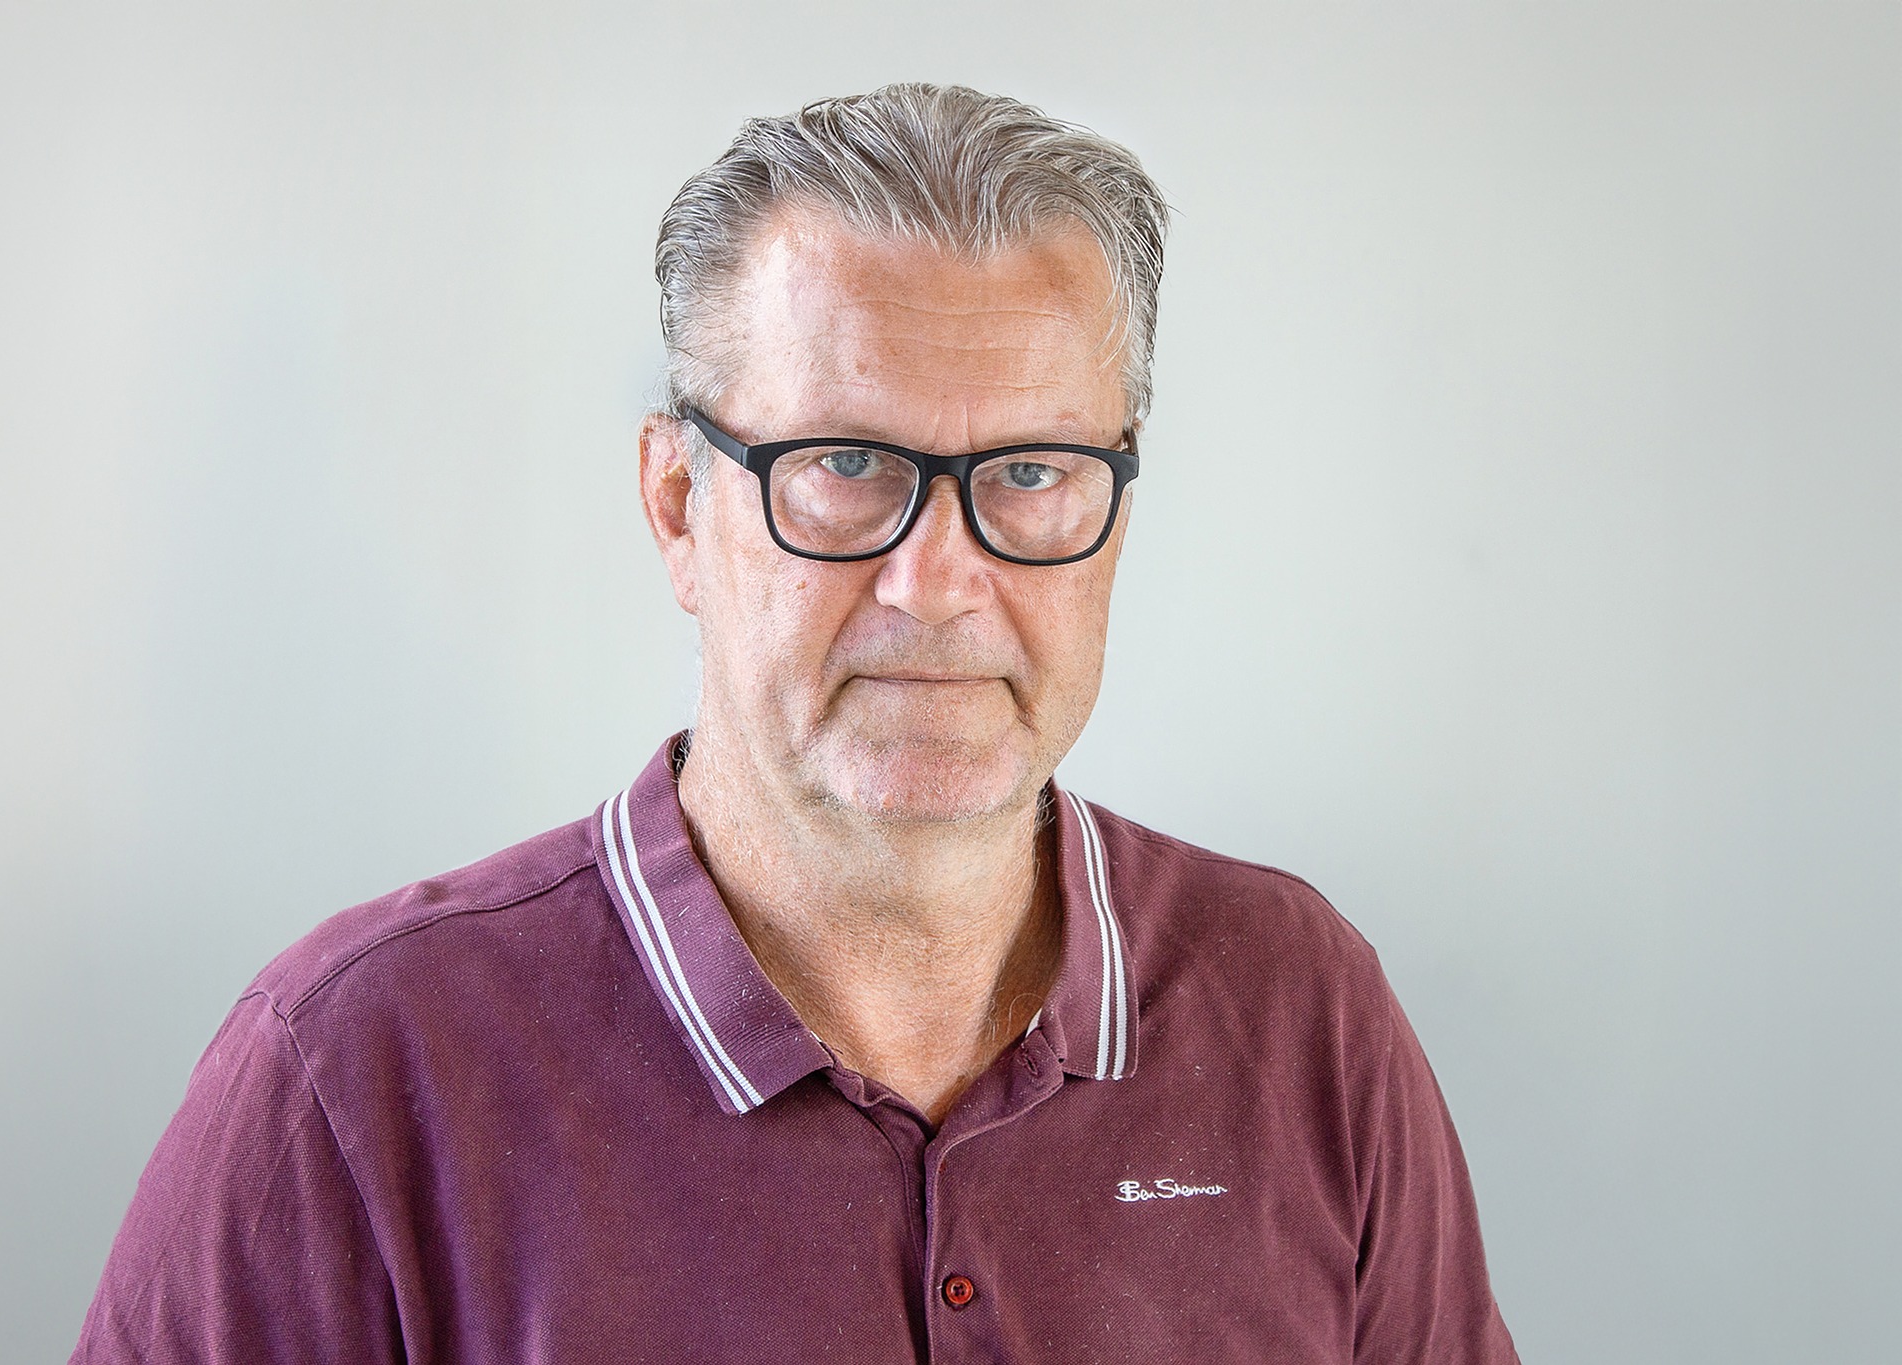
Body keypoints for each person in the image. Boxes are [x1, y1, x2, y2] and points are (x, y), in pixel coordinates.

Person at [74, 83, 1518, 1363]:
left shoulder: (1301, 1009)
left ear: (1116, 516)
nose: (936, 582)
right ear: (675, 505)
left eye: (1030, 473)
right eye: (843, 464)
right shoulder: (355, 1077)